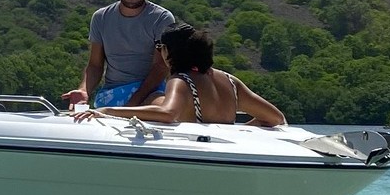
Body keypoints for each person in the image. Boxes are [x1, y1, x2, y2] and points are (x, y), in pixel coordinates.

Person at [78, 25, 285, 127]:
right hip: (221, 148)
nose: (159, 52)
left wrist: (106, 111)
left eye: (160, 47)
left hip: (193, 150)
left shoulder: (181, 81)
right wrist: (241, 130)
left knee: (154, 100)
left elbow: (169, 114)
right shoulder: (231, 81)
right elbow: (275, 117)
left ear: (170, 51)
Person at [62, 0, 176, 111]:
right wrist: (84, 90)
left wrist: (131, 106)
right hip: (111, 93)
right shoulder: (101, 18)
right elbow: (95, 65)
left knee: (166, 109)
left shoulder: (161, 18)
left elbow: (160, 67)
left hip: (149, 93)